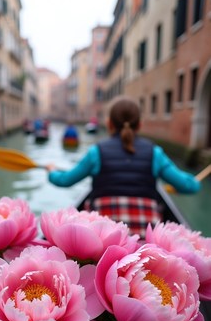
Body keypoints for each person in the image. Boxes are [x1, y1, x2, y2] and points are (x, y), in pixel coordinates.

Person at [47, 95, 201, 237]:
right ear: (139, 125)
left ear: (109, 124)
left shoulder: (96, 152)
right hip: (146, 236)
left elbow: (64, 180)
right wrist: (192, 182)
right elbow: (189, 186)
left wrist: (51, 170)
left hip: (104, 235)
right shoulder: (155, 153)